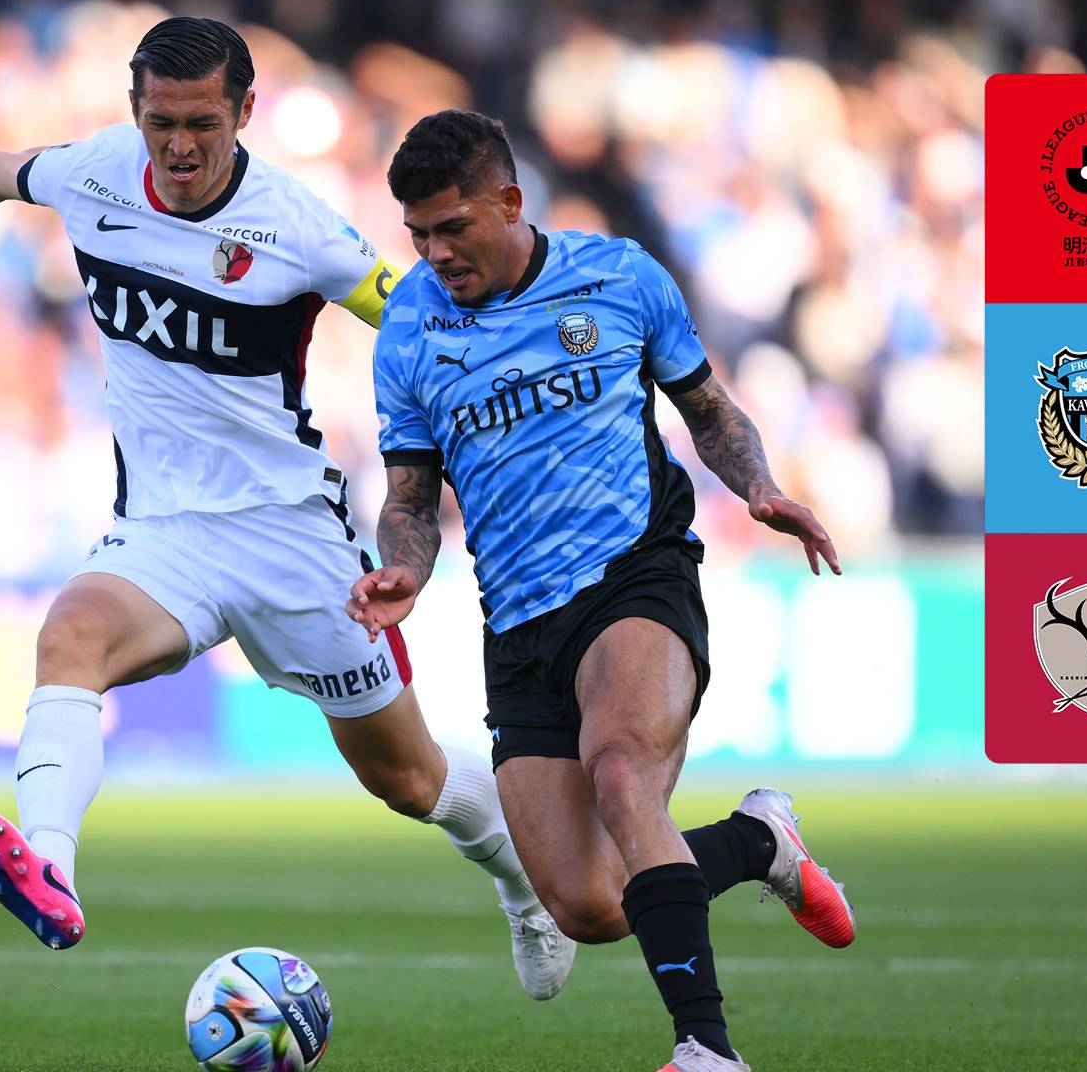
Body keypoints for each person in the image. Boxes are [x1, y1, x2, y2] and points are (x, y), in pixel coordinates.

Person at [0, 18, 573, 997]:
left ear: (245, 113)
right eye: (162, 122)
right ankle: (49, 869)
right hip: (164, 532)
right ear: (135, 111)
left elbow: (420, 312)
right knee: (70, 636)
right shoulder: (97, 175)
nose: (180, 145)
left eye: (203, 123)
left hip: (290, 538)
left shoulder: (294, 225)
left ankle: (525, 887)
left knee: (409, 779)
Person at [351, 110, 858, 1071]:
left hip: (635, 573)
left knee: (623, 775)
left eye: (453, 227)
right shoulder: (408, 325)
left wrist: (758, 487)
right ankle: (758, 843)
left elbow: (707, 409)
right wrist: (405, 570)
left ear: (510, 201)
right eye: (418, 235)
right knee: (587, 905)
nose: (435, 253)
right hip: (518, 621)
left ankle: (706, 1050)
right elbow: (411, 494)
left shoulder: (619, 277)